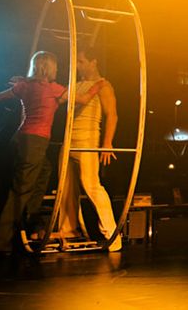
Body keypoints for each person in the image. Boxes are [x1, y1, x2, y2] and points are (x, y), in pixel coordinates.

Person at [0, 51, 104, 254]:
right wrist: (99, 85)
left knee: (44, 170)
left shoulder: (25, 86)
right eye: (56, 67)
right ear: (50, 68)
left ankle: (33, 217)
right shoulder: (53, 89)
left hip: (20, 139)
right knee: (20, 190)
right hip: (35, 142)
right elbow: (83, 99)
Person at [56, 47, 122, 252]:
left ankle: (112, 234)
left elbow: (112, 115)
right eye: (77, 62)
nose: (78, 66)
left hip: (87, 141)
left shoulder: (103, 85)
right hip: (69, 141)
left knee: (92, 185)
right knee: (66, 189)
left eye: (81, 62)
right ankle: (69, 229)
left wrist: (107, 143)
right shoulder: (76, 84)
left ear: (94, 62)